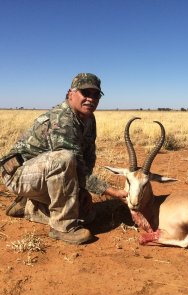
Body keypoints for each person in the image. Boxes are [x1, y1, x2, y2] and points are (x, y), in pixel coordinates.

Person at [0, 73, 128, 244]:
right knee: (64, 158)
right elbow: (71, 165)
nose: (91, 99)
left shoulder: (89, 119)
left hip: (44, 174)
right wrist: (114, 192)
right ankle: (63, 227)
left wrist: (83, 191)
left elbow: (87, 158)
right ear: (70, 94)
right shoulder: (62, 118)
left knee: (87, 215)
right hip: (18, 174)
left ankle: (30, 206)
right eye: (85, 93)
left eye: (96, 94)